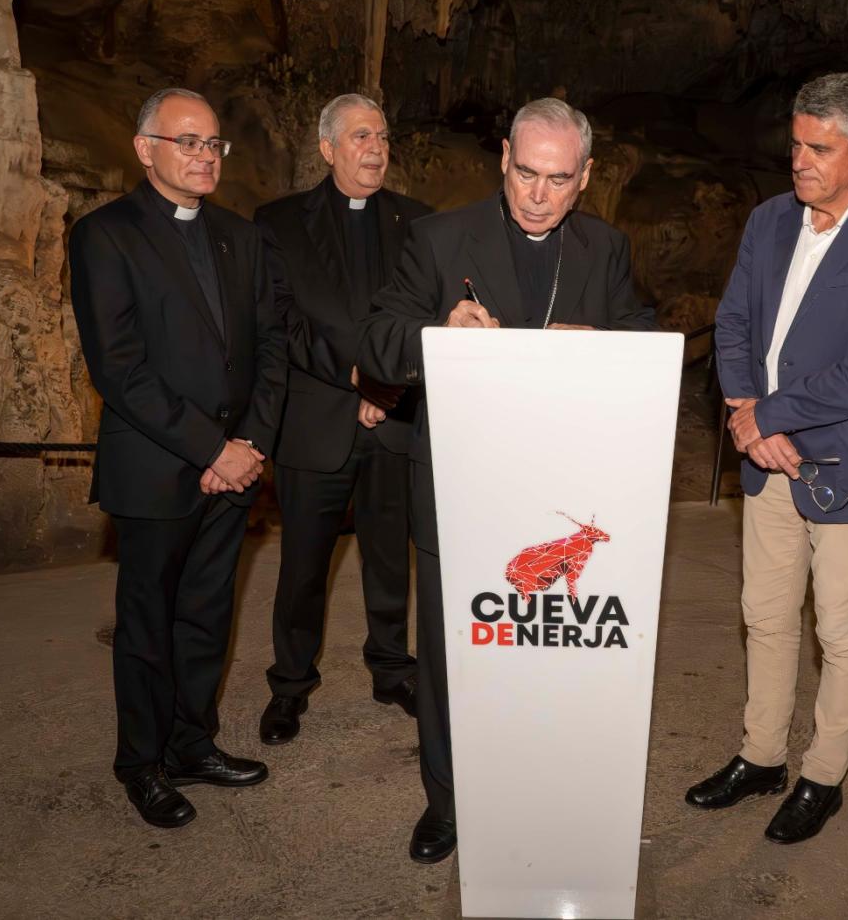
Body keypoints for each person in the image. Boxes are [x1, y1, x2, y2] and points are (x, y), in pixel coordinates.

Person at [337, 97, 654, 863]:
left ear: (584, 179)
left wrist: (605, 343)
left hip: (563, 495)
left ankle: (541, 795)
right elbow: (377, 339)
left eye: (558, 179)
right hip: (459, 487)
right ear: (503, 161)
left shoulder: (605, 248)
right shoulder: (440, 238)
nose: (538, 195)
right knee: (451, 657)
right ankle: (447, 806)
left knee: (546, 653)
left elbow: (648, 335)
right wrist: (436, 331)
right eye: (525, 174)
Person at [690, 72, 848, 845]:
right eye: (796, 143)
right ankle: (761, 756)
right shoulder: (769, 221)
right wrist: (745, 414)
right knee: (764, 617)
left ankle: (823, 776)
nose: (800, 160)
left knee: (841, 633)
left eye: (819, 148)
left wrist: (769, 413)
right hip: (765, 459)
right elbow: (733, 324)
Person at [69, 88, 287, 828]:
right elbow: (120, 367)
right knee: (147, 623)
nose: (204, 156)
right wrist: (211, 449)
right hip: (158, 468)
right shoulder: (105, 235)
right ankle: (142, 764)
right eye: (187, 142)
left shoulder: (241, 236)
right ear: (144, 148)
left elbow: (270, 350)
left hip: (234, 469)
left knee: (205, 614)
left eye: (213, 144)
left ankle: (194, 744)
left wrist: (250, 446)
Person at [252, 94, 432, 745]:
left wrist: (388, 386)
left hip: (393, 421)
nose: (376, 148)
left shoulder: (418, 222)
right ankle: (290, 684)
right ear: (328, 148)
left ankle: (391, 668)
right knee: (303, 566)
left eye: (382, 135)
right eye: (360, 136)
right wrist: (357, 376)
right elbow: (280, 323)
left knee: (390, 558)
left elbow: (422, 319)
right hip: (315, 421)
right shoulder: (277, 223)